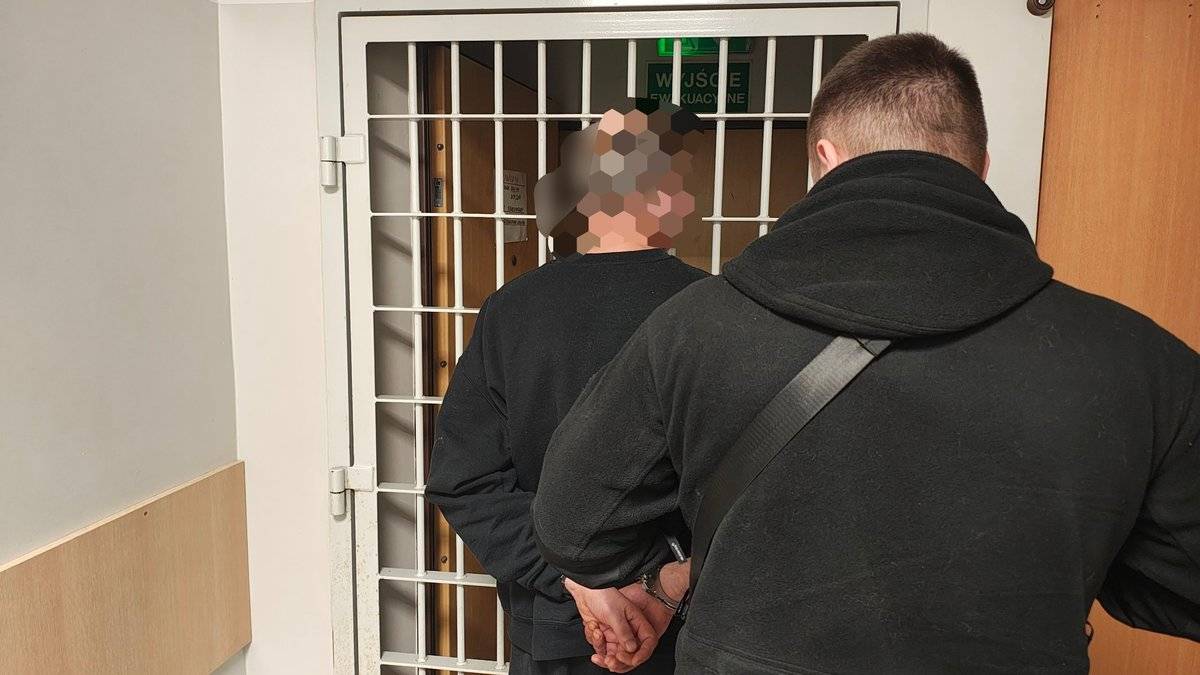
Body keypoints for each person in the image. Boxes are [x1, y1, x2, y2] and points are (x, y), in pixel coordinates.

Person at [532, 33, 1200, 674]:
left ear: (823, 159)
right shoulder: (1135, 358)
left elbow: (573, 525)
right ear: (980, 168)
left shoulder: (694, 327)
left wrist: (684, 569)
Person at [425, 99, 708, 674]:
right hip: (689, 623)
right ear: (666, 195)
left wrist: (577, 581)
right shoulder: (712, 310)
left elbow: (465, 480)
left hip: (553, 627)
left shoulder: (512, 310)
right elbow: (749, 488)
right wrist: (668, 583)